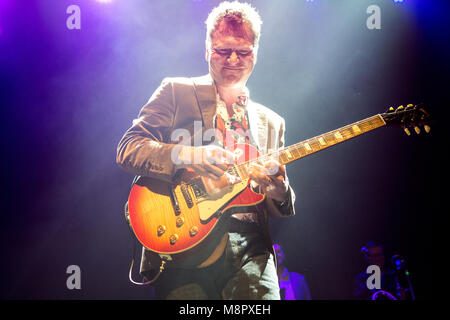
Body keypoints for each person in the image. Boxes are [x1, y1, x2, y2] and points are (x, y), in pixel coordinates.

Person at [116, 1, 295, 300]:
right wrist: (189, 155)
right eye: (224, 50)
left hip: (252, 251)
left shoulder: (272, 122)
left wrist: (279, 190)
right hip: (186, 246)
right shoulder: (176, 91)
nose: (234, 59)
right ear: (207, 49)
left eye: (244, 51)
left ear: (256, 53)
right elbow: (128, 148)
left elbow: (279, 206)